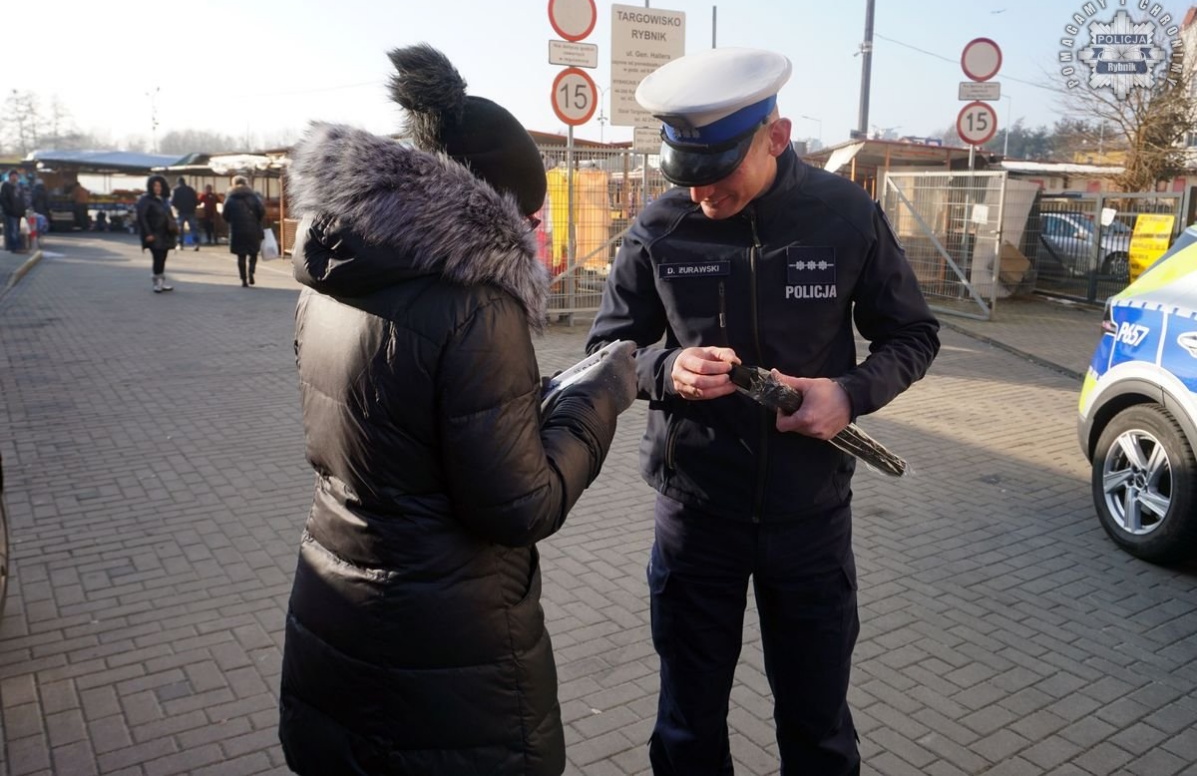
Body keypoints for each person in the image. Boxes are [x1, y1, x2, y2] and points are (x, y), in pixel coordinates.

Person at [277, 43, 638, 776]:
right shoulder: (476, 307)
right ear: (495, 211)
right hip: (444, 642)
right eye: (530, 215)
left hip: (338, 598)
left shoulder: (335, 275)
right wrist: (599, 398)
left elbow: (412, 422)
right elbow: (519, 505)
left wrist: (533, 399)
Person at [586, 47, 941, 776]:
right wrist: (665, 369)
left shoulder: (845, 216)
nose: (701, 194)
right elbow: (608, 350)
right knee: (686, 727)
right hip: (695, 516)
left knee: (818, 727)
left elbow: (912, 334)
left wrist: (849, 393)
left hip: (809, 516)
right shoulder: (659, 227)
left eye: (718, 172)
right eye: (685, 174)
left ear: (775, 137)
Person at [135, 174, 177, 292]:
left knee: (163, 257)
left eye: (160, 185)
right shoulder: (145, 200)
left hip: (166, 233)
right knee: (157, 257)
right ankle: (157, 281)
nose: (157, 188)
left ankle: (161, 281)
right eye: (155, 186)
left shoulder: (164, 200)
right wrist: (148, 233)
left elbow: (169, 214)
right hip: (154, 233)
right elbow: (142, 218)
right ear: (150, 186)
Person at [221, 175, 265, 286]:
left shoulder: (230, 198)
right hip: (253, 229)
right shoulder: (253, 197)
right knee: (253, 253)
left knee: (241, 255)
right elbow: (261, 211)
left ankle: (244, 279)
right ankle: (251, 271)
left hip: (237, 230)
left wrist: (233, 221)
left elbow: (225, 215)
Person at [170, 176, 200, 250]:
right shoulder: (191, 189)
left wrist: (177, 207)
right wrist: (193, 206)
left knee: (180, 229)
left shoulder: (175, 190)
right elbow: (196, 201)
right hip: (191, 211)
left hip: (181, 212)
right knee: (193, 229)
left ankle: (180, 244)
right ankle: (196, 244)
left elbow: (172, 202)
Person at [1, 171, 25, 252]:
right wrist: (9, 209)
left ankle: (16, 246)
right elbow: (3, 199)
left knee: (16, 230)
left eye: (16, 176)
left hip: (18, 212)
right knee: (12, 230)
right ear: (10, 177)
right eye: (13, 176)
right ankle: (14, 247)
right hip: (10, 213)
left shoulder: (19, 186)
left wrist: (22, 210)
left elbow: (21, 199)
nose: (15, 178)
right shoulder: (6, 185)